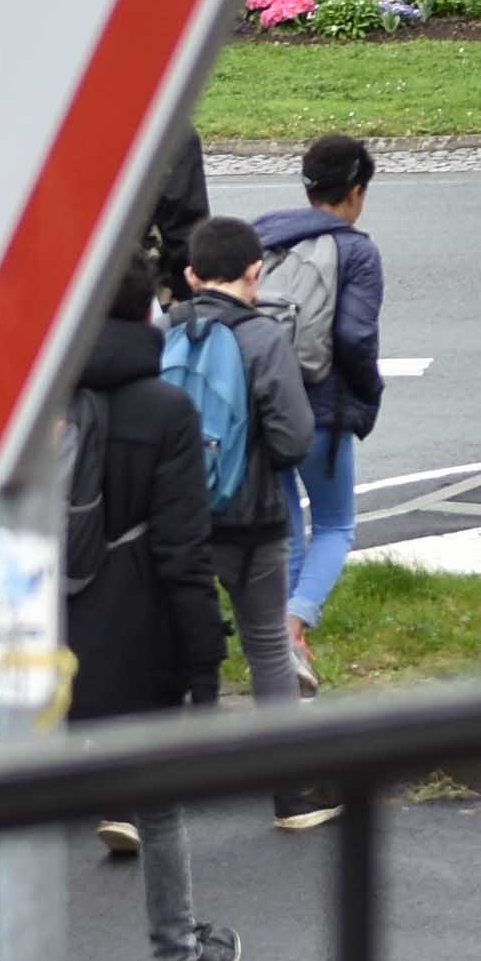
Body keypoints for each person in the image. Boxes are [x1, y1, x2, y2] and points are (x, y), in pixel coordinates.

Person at [0, 260, 240, 961]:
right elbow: (185, 554)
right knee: (157, 803)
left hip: (33, 634)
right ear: (147, 311)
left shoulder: (28, 401)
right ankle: (180, 957)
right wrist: (201, 662)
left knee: (19, 810)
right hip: (134, 640)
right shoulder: (165, 410)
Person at [170, 213, 325, 828]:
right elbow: (294, 439)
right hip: (253, 519)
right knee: (265, 648)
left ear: (188, 274)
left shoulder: (166, 331)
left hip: (179, 523)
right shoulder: (263, 339)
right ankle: (292, 796)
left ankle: (143, 799)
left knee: (166, 647)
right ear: (255, 272)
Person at [256, 134, 387, 693]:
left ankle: (275, 643)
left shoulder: (263, 237)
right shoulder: (356, 251)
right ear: (355, 193)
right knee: (335, 523)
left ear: (308, 188)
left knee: (285, 525)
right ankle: (292, 627)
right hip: (323, 409)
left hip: (265, 403)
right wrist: (367, 393)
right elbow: (354, 336)